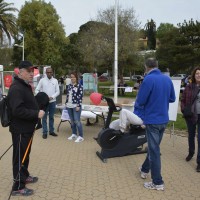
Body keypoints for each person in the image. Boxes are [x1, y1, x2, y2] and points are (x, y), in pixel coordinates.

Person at [136, 58, 175, 191]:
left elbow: (140, 101)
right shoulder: (167, 79)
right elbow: (172, 98)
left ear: (146, 66)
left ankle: (157, 182)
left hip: (152, 120)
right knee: (154, 147)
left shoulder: (148, 79)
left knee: (154, 151)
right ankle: (144, 168)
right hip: (164, 119)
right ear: (157, 66)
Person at [7, 60, 45, 196]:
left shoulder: (25, 85)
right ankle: (17, 186)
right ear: (20, 72)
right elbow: (17, 110)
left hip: (27, 129)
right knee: (19, 158)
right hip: (20, 130)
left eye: (32, 71)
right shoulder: (16, 87)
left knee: (25, 155)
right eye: (29, 71)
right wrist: (36, 113)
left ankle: (24, 176)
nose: (31, 73)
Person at [181, 67, 200, 172]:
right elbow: (183, 100)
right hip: (191, 115)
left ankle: (199, 162)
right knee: (191, 135)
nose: (199, 75)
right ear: (194, 75)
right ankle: (191, 152)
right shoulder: (189, 86)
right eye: (197, 73)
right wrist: (184, 110)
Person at [35, 67, 60, 139]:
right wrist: (42, 96)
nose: (49, 73)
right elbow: (37, 90)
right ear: (46, 73)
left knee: (51, 117)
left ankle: (51, 131)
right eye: (48, 72)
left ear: (52, 72)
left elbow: (58, 91)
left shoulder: (55, 81)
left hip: (52, 102)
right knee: (44, 117)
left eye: (50, 72)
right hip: (44, 103)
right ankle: (45, 132)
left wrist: (52, 97)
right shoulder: (42, 80)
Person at [66, 72, 84, 142]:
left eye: (73, 77)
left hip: (76, 106)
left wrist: (78, 105)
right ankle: (74, 134)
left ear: (76, 78)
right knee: (72, 121)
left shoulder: (79, 86)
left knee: (77, 121)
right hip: (69, 105)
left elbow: (80, 96)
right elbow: (68, 95)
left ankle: (81, 136)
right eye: (71, 77)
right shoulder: (69, 85)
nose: (72, 78)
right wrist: (66, 103)